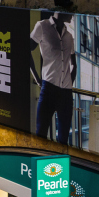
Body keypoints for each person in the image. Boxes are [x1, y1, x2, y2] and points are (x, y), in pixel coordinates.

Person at [29, 11, 75, 144]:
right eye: (71, 11)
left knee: (64, 138)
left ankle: (61, 165)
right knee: (41, 134)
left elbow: (74, 64)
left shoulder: (69, 36)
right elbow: (27, 49)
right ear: (61, 11)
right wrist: (38, 78)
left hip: (66, 93)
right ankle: (39, 164)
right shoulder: (42, 26)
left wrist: (69, 83)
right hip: (48, 88)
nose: (73, 15)